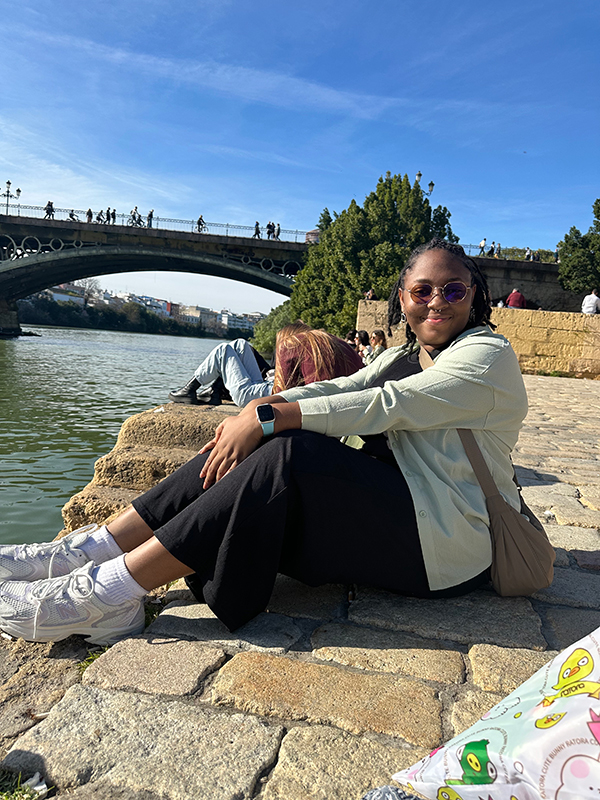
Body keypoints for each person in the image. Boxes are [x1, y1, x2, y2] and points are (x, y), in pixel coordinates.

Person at [0, 239, 529, 646]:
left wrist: (271, 418)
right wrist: (257, 411)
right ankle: (89, 550)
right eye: (422, 291)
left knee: (288, 450)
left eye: (453, 290)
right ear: (403, 298)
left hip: (450, 545)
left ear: (475, 296)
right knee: (263, 438)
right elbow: (342, 388)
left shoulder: (488, 356)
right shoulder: (403, 355)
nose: (437, 302)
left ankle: (110, 594)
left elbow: (388, 405)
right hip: (404, 511)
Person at [168, 323, 363, 408]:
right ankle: (212, 391)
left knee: (223, 350)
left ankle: (190, 389)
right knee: (240, 345)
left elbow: (281, 393)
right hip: (289, 391)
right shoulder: (331, 344)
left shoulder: (292, 345)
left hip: (271, 395)